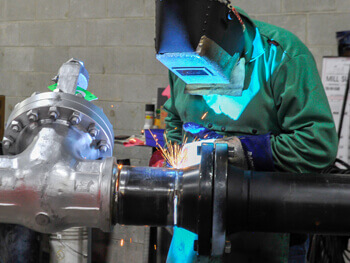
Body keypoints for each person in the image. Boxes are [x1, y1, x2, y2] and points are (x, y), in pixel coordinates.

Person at [155, 0, 338, 262]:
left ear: (229, 29)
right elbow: (174, 117)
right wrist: (172, 165)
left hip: (269, 228)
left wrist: (247, 151)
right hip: (192, 231)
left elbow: (317, 145)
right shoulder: (181, 58)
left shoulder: (282, 56)